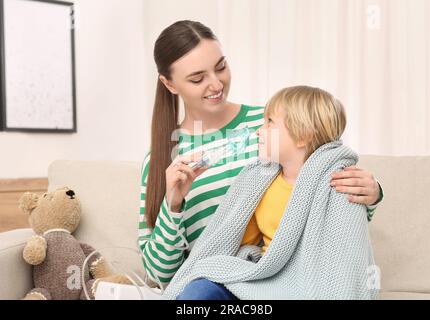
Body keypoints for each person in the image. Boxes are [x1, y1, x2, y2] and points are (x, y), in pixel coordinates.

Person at [138, 20, 383, 289]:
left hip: (287, 277)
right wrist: (172, 204)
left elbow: (327, 186)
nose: (216, 84)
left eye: (221, 67)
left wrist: (370, 193)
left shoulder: (275, 124)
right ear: (169, 84)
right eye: (197, 78)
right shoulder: (163, 158)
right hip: (214, 284)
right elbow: (160, 274)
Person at [165, 85, 378, 300]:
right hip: (264, 280)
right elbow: (230, 241)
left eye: (269, 122)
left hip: (303, 286)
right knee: (200, 291)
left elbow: (348, 256)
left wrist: (375, 194)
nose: (259, 130)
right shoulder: (259, 181)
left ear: (302, 135)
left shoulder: (338, 184)